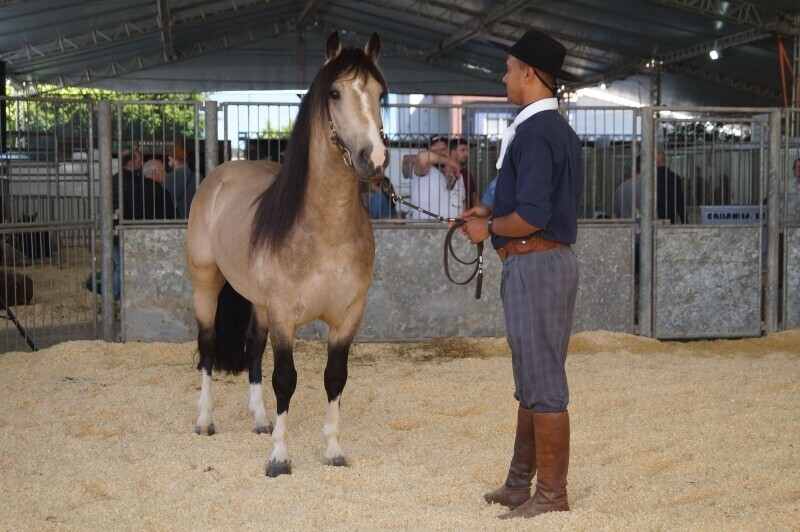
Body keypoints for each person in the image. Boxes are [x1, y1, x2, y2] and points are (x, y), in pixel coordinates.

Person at [455, 29, 583, 519]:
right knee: (531, 375)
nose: (504, 77)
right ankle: (518, 485)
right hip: (540, 261)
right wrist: (489, 208)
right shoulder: (551, 130)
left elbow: (531, 215)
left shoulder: (535, 132)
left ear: (529, 73)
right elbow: (530, 202)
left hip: (536, 259)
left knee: (543, 378)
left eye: (509, 70)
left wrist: (488, 226)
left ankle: (551, 495)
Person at [85, 148, 142, 301]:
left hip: (112, 230)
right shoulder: (130, 182)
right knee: (120, 268)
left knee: (117, 266)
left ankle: (110, 298)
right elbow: (132, 208)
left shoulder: (114, 180)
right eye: (138, 161)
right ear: (129, 163)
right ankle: (113, 300)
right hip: (123, 231)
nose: (141, 164)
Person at [406, 134, 465, 220]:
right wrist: (448, 161)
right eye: (436, 150)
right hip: (427, 231)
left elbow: (462, 203)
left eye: (444, 149)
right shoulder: (424, 171)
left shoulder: (457, 174)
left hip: (453, 230)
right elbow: (423, 157)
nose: (441, 152)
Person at [164, 145, 197, 219]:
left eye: (170, 160)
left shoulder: (169, 178)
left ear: (176, 160)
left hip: (176, 220)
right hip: (194, 219)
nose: (168, 163)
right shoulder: (198, 177)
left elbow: (165, 200)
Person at [450, 137, 479, 209]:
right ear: (453, 152)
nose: (466, 153)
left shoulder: (467, 174)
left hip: (468, 218)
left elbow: (475, 199)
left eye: (467, 150)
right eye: (463, 150)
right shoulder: (446, 174)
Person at [656, 151, 685, 223]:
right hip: (670, 217)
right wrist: (684, 220)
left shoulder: (650, 179)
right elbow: (679, 201)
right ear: (665, 161)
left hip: (653, 218)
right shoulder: (675, 178)